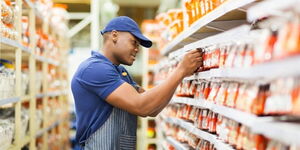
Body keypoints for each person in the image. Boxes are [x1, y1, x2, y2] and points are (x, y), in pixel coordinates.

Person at [71, 16, 202, 150]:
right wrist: (180, 71)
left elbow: (152, 108)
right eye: (134, 42)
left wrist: (180, 75)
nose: (137, 49)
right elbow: (142, 106)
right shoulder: (94, 69)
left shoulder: (119, 72)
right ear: (114, 35)